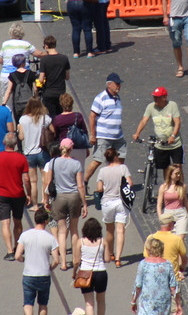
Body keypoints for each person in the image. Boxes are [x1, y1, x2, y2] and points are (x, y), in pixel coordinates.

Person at [17, 206, 58, 315]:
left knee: (28, 302)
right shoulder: (50, 238)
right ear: (46, 221)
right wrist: (50, 267)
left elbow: (17, 255)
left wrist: (24, 260)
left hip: (29, 274)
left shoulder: (25, 235)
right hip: (44, 275)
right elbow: (56, 260)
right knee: (43, 303)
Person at [131, 238, 179, 315]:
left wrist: (133, 300)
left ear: (148, 249)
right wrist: (178, 304)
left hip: (148, 301)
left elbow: (138, 285)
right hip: (163, 302)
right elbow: (173, 286)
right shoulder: (167, 264)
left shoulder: (143, 264)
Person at [0, 132, 32, 261]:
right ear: (15, 144)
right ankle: (17, 247)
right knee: (18, 221)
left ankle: (9, 251)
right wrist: (29, 194)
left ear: (4, 143)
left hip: (2, 194)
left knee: (5, 223)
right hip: (18, 193)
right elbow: (26, 179)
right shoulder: (21, 158)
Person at [44, 137, 86, 267]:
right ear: (71, 148)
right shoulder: (76, 164)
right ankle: (76, 259)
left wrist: (46, 199)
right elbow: (80, 185)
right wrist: (84, 203)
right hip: (73, 197)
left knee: (61, 231)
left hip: (59, 197)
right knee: (74, 230)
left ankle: (63, 262)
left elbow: (48, 182)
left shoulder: (53, 162)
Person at [84, 73, 125, 186]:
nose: (119, 86)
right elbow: (92, 116)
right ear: (109, 85)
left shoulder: (117, 97)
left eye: (119, 84)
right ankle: (84, 181)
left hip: (118, 136)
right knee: (98, 160)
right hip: (104, 136)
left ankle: (119, 182)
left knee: (121, 158)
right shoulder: (101, 98)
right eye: (117, 84)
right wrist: (93, 135)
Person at [132, 86, 183, 172]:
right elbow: (144, 121)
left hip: (174, 144)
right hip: (160, 144)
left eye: (157, 97)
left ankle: (179, 185)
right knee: (165, 169)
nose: (155, 99)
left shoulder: (172, 105)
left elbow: (177, 122)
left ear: (164, 97)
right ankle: (167, 184)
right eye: (154, 96)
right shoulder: (150, 107)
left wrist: (173, 136)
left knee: (177, 168)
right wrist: (137, 133)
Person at [96, 147, 131, 267]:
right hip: (121, 202)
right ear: (116, 156)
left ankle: (110, 253)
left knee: (109, 230)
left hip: (107, 203)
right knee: (120, 230)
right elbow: (130, 183)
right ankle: (118, 258)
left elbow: (99, 188)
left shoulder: (102, 171)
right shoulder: (123, 168)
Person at [75, 217, 106, 315]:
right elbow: (107, 258)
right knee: (101, 301)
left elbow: (76, 261)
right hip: (101, 272)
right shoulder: (103, 241)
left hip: (85, 273)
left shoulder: (81, 242)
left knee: (89, 303)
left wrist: (74, 273)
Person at [17, 96, 51, 196]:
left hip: (29, 153)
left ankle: (35, 205)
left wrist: (19, 129)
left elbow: (21, 137)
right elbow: (53, 131)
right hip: (42, 152)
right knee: (45, 179)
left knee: (33, 181)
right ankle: (45, 201)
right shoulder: (45, 118)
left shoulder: (23, 119)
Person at [0, 22, 43, 95]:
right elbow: (39, 54)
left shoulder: (5, 44)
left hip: (6, 75)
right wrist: (49, 53)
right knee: (25, 98)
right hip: (23, 75)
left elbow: (0, 60)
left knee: (7, 100)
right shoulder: (26, 44)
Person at [145, 214, 187, 289]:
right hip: (172, 279)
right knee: (175, 298)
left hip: (155, 277)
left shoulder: (150, 238)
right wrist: (180, 269)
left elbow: (146, 257)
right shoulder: (177, 239)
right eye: (173, 223)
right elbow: (184, 258)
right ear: (170, 224)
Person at [156, 165, 188, 235]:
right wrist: (161, 217)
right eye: (176, 173)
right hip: (168, 215)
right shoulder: (163, 187)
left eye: (179, 173)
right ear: (170, 174)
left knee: (180, 238)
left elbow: (186, 202)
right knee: (170, 239)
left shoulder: (182, 186)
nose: (179, 175)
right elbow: (159, 205)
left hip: (180, 214)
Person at [37, 35, 70, 117]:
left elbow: (41, 79)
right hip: (61, 92)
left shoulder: (44, 60)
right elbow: (67, 77)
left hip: (49, 93)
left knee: (51, 117)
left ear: (46, 46)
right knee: (61, 116)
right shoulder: (64, 58)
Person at [3, 54, 37, 122]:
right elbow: (35, 89)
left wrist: (4, 103)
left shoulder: (12, 75)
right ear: (24, 62)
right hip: (29, 102)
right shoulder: (31, 73)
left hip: (17, 104)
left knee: (19, 121)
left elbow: (9, 91)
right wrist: (36, 98)